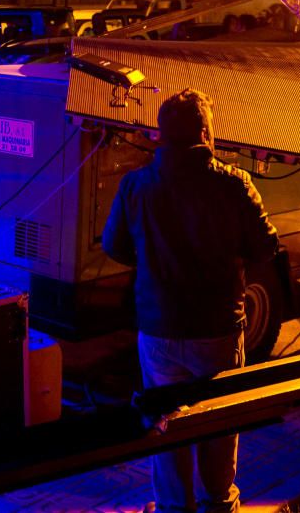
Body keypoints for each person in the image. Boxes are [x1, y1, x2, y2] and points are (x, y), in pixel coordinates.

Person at [103, 88, 279, 513]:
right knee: (219, 421)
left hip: (158, 327)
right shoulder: (234, 184)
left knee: (164, 422)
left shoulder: (136, 184)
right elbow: (265, 248)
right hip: (217, 327)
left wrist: (152, 260)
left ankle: (172, 508)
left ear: (161, 134)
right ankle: (219, 503)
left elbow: (115, 246)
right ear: (205, 131)